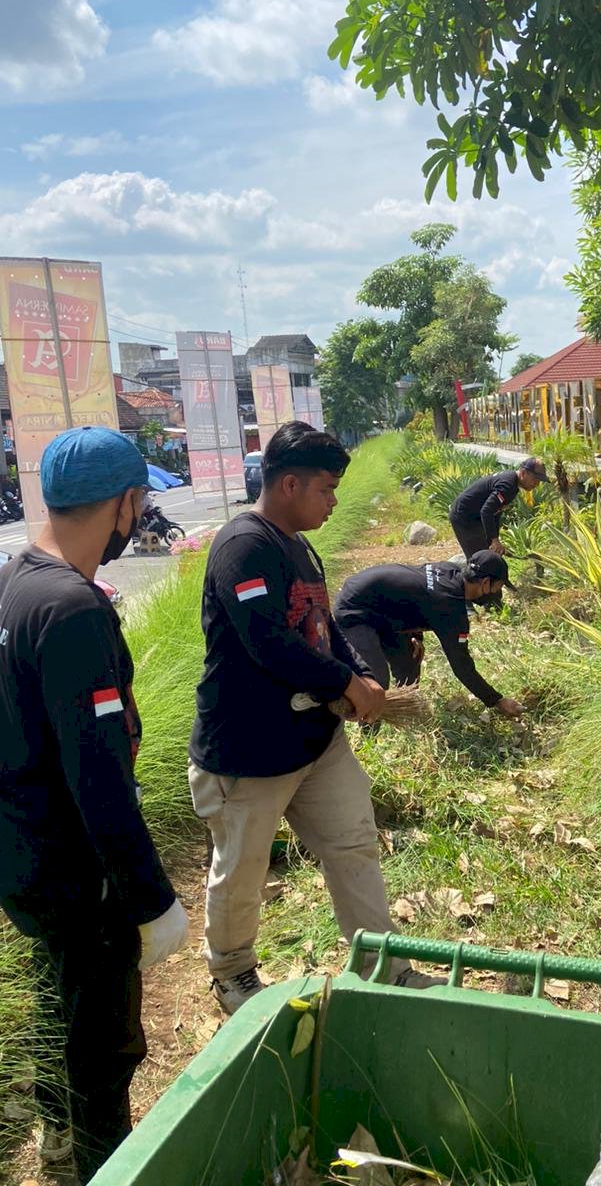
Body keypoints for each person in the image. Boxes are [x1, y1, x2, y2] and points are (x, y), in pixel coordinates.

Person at [189, 421, 440, 1014]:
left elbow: (322, 631)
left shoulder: (299, 548)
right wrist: (347, 683)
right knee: (243, 869)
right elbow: (269, 643)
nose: (332, 502)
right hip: (250, 750)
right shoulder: (243, 546)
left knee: (353, 845)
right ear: (290, 484)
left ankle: (384, 967)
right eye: (326, 490)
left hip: (315, 743)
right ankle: (232, 975)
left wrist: (362, 676)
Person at [0, 426, 188, 1184]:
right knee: (108, 1043)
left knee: (58, 998)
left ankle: (55, 1134)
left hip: (19, 854)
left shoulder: (16, 579)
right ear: (124, 503)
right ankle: (104, 1167)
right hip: (77, 871)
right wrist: (150, 899)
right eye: (139, 504)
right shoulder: (74, 608)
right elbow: (99, 780)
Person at [333, 550, 525, 717]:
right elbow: (462, 667)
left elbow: (418, 596)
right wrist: (496, 700)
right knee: (376, 679)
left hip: (380, 608)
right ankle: (369, 730)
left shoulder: (451, 570)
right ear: (485, 583)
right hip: (355, 610)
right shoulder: (450, 609)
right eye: (497, 588)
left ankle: (401, 712)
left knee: (409, 661)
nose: (496, 594)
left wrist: (415, 634)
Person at [449, 457, 547, 557]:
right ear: (523, 473)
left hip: (475, 517)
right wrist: (494, 540)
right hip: (463, 517)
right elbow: (487, 511)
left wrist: (494, 539)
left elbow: (495, 512)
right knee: (479, 560)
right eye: (535, 479)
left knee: (489, 557)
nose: (537, 484)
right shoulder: (507, 485)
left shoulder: (512, 483)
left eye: (539, 481)